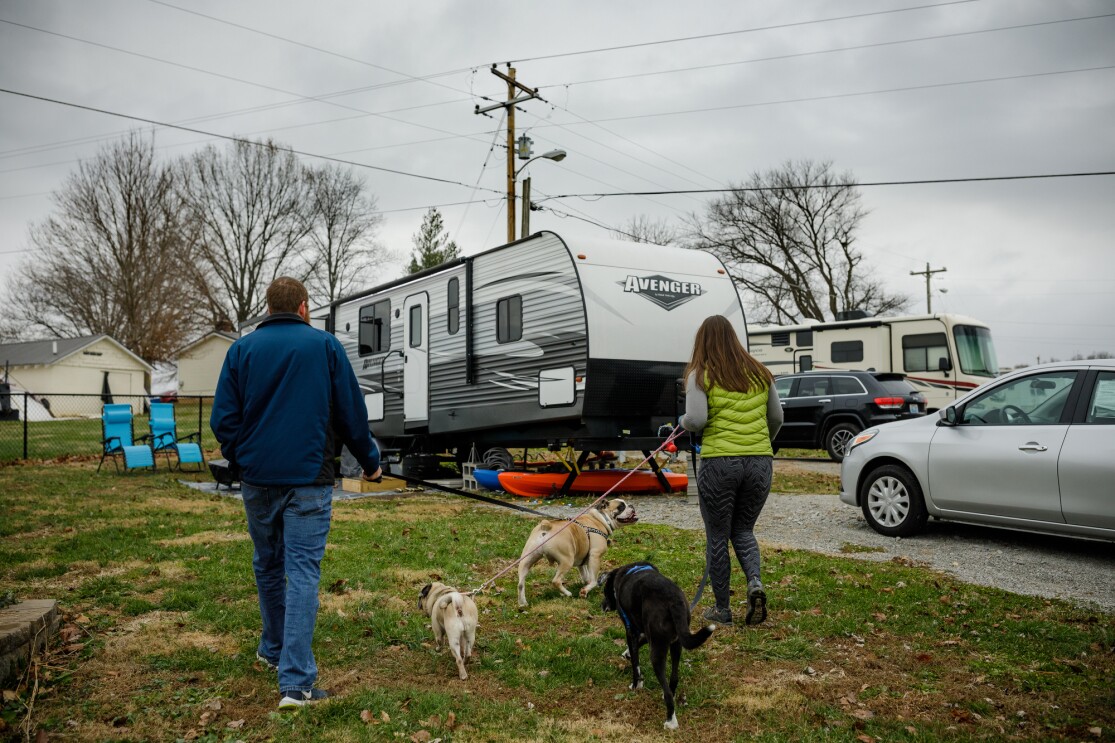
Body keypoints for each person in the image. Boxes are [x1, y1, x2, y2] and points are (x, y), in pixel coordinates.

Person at [211, 277, 381, 710]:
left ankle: (273, 651)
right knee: (302, 571)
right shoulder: (325, 347)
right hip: (309, 478)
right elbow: (350, 413)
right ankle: (296, 683)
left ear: (268, 309)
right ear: (304, 307)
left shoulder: (242, 351)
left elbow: (223, 420)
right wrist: (370, 459)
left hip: (258, 479)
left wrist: (243, 458)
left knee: (268, 564)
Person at [679, 314, 783, 626]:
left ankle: (722, 610)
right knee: (744, 530)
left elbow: (696, 420)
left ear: (703, 341)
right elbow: (776, 418)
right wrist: (761, 443)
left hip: (720, 463)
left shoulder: (701, 374)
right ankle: (755, 583)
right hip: (760, 462)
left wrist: (681, 424)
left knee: (718, 536)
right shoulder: (760, 373)